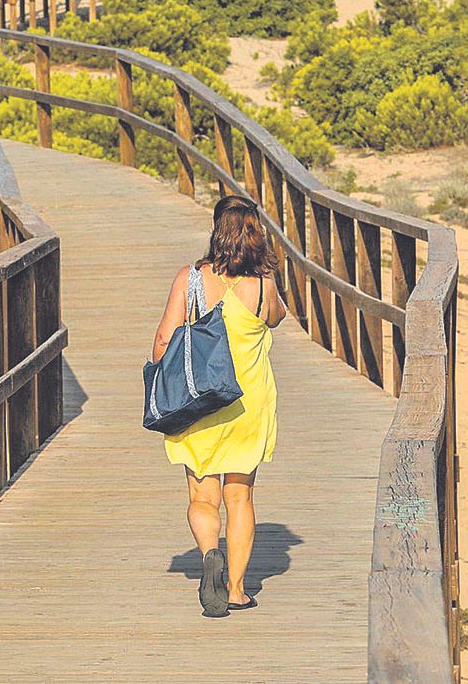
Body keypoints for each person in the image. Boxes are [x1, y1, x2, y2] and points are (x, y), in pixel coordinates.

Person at [151, 195, 285, 618]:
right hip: (247, 405)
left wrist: (159, 375)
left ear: (215, 230)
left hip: (200, 401)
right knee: (240, 499)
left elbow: (162, 341)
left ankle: (210, 552)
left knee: (202, 496)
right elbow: (277, 318)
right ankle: (236, 590)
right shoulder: (263, 285)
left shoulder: (190, 278)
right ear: (254, 233)